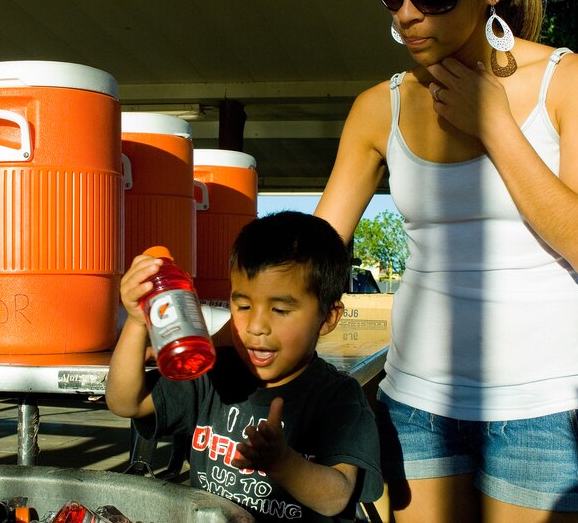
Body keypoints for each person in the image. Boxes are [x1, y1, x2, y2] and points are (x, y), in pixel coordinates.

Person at [314, 0, 578, 521]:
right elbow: (314, 251)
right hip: (416, 400)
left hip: (542, 404)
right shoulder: (380, 106)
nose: (407, 15)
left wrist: (496, 125)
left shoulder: (575, 79)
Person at [106, 211, 383, 522]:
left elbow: (337, 496)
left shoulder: (337, 397)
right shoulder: (213, 374)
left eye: (279, 309)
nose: (256, 326)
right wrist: (135, 320)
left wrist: (284, 464)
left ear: (328, 318)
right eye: (243, 305)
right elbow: (125, 401)